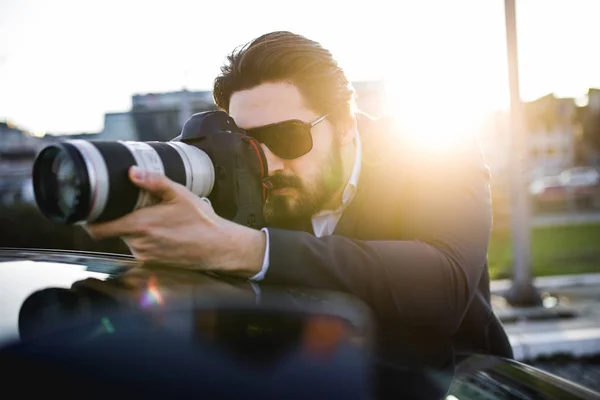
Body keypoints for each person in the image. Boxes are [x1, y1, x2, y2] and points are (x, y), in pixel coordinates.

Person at [86, 31, 513, 397]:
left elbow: (445, 285)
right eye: (247, 142)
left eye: (286, 137)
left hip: (456, 385)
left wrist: (248, 249)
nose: (266, 164)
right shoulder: (242, 178)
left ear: (346, 123)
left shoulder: (436, 147)